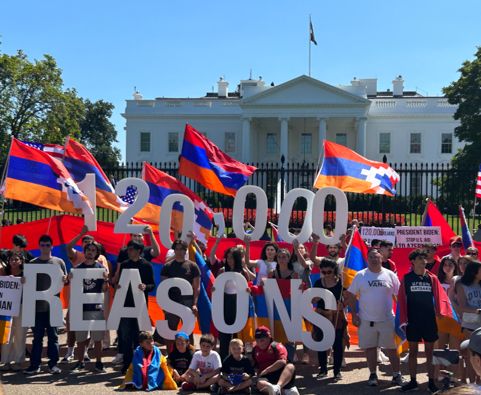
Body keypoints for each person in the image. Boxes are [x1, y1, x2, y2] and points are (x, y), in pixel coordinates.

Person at [345, 248, 404, 387]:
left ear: (382, 258)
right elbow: (351, 295)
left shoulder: (390, 275)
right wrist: (354, 314)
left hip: (387, 319)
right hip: (366, 319)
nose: (374, 259)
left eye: (376, 257)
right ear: (367, 259)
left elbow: (399, 296)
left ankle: (397, 374)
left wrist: (401, 316)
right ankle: (372, 374)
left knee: (391, 349)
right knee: (370, 348)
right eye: (371, 257)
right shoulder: (360, 275)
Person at [398, 249, 447, 393]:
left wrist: (440, 312)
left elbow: (441, 298)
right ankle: (413, 381)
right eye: (420, 258)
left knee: (430, 352)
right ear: (413, 261)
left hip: (429, 321)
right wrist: (403, 320)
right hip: (413, 321)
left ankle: (431, 382)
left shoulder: (432, 278)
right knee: (412, 352)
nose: (424, 261)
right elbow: (401, 300)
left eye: (424, 258)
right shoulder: (406, 278)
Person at [24, 235, 68, 375]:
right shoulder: (32, 263)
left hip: (53, 305)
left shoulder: (59, 262)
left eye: (47, 245)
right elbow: (27, 284)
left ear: (52, 246)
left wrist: (65, 279)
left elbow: (65, 281)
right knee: (37, 337)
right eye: (42, 245)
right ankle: (35, 365)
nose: (45, 247)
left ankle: (53, 364)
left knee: (53, 337)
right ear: (39, 246)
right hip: (36, 307)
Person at [115, 240, 155, 374]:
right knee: (125, 337)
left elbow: (152, 285)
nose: (129, 251)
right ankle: (127, 365)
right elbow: (120, 282)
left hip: (140, 306)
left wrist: (145, 286)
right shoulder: (125, 264)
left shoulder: (146, 265)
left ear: (138, 250)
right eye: (128, 249)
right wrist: (118, 286)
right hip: (125, 304)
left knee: (139, 337)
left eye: (131, 249)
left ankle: (139, 365)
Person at [69, 242, 109, 373]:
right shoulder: (77, 269)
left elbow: (105, 289)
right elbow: (69, 284)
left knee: (97, 338)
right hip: (80, 307)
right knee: (81, 338)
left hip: (95, 307)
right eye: (88, 250)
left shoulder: (100, 268)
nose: (90, 252)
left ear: (96, 253)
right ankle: (80, 362)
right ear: (85, 252)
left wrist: (106, 281)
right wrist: (67, 278)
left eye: (93, 250)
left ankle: (98, 362)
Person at [160, 239, 200, 351]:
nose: (179, 251)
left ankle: (190, 355)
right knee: (170, 330)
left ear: (185, 251)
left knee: (188, 331)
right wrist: (165, 304)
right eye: (176, 249)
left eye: (181, 249)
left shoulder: (192, 266)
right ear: (174, 250)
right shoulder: (167, 266)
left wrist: (195, 304)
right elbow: (163, 287)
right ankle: (171, 355)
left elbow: (197, 287)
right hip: (172, 302)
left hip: (188, 302)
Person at [215, 247, 254, 361]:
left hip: (239, 303)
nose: (229, 260)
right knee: (224, 334)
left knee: (239, 333)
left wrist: (249, 289)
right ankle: (223, 360)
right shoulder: (222, 271)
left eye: (232, 258)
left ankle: (239, 360)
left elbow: (250, 284)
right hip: (225, 303)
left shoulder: (242, 272)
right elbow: (217, 287)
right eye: (227, 258)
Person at [312, 258, 347, 381]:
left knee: (337, 344)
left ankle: (337, 371)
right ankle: (323, 369)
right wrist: (314, 299)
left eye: (329, 272)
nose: (326, 274)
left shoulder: (341, 283)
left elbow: (347, 298)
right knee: (322, 343)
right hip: (321, 316)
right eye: (324, 272)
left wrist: (343, 304)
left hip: (337, 317)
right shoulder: (317, 283)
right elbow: (312, 299)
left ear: (335, 271)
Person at [251, 326, 299, 395]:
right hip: (266, 378)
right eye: (257, 340)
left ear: (269, 338)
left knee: (290, 366)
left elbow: (282, 362)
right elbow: (255, 366)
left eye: (262, 340)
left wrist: (267, 370)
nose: (259, 343)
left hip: (281, 375)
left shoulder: (277, 346)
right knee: (259, 383)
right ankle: (285, 392)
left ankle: (277, 387)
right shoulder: (255, 350)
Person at [454, 261, 481, 382]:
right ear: (474, 272)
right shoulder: (461, 285)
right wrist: (477, 310)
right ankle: (473, 384)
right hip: (469, 325)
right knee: (472, 356)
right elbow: (461, 307)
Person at [0, 251, 27, 371]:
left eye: (17, 259)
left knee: (20, 334)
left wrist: (24, 281)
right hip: (7, 308)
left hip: (21, 306)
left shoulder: (26, 274)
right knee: (6, 335)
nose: (14, 262)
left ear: (21, 261)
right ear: (8, 261)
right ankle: (5, 361)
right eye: (12, 259)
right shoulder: (4, 273)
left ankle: (18, 360)